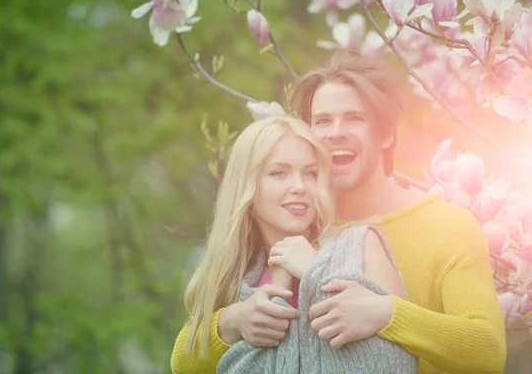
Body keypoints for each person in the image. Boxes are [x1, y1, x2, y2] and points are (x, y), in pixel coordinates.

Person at [171, 51, 507, 374]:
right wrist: (230, 321)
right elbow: (185, 360)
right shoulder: (293, 222)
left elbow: (487, 352)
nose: (335, 133)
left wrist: (389, 313)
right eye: (322, 121)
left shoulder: (447, 227)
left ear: (386, 133)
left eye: (354, 119)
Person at [178, 115, 417, 373]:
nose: (299, 186)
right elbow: (184, 366)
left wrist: (317, 272)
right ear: (248, 185)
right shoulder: (237, 276)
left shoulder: (361, 245)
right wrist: (230, 322)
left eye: (310, 173)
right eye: (279, 173)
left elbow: (400, 365)